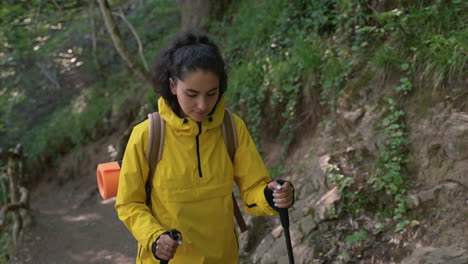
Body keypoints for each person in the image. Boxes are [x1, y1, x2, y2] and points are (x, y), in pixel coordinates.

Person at [115, 32, 294, 264]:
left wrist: (272, 196)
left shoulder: (231, 128)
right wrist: (155, 237)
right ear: (172, 85)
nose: (202, 105)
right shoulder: (147, 135)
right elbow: (129, 203)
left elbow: (252, 190)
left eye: (212, 94)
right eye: (192, 94)